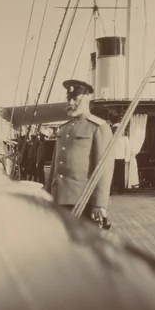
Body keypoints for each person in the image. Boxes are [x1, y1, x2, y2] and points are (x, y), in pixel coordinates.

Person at [48, 79, 113, 229]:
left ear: (86, 100)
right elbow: (54, 167)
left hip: (82, 200)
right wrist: (48, 194)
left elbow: (104, 169)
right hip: (59, 199)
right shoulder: (63, 129)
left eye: (74, 99)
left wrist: (99, 203)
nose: (70, 102)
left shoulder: (98, 127)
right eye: (68, 98)